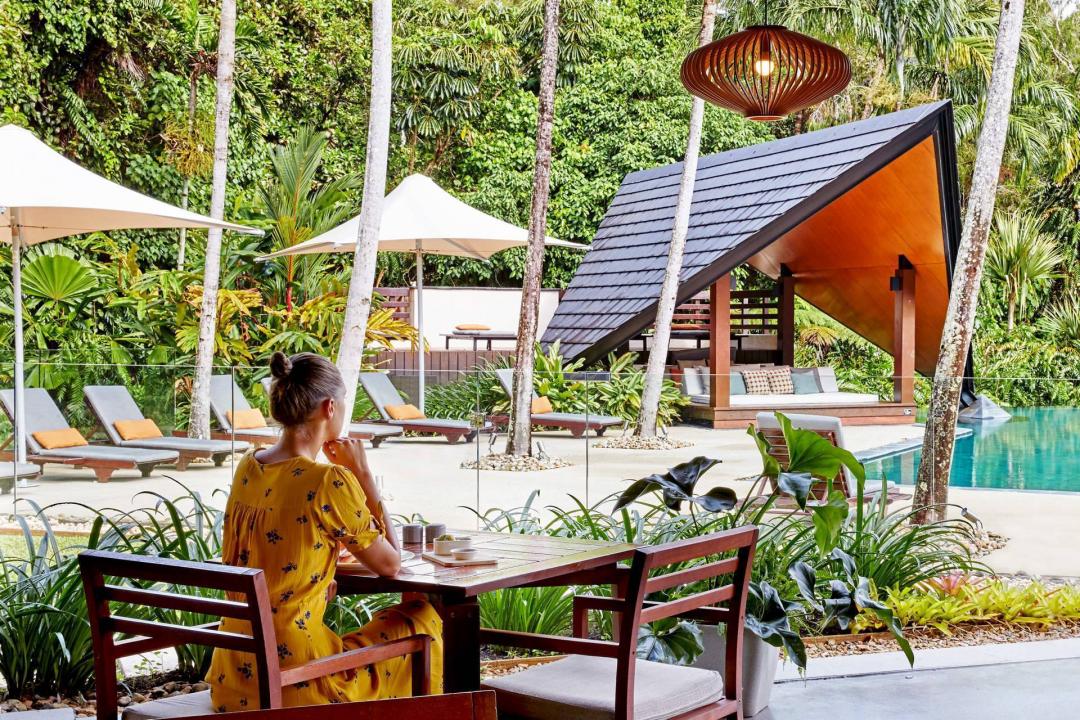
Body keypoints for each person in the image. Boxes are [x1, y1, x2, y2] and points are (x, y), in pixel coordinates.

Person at [208, 352, 442, 711]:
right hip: (296, 684)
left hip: (234, 677)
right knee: (420, 618)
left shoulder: (248, 466)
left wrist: (316, 578)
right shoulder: (328, 480)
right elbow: (391, 564)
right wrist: (364, 476)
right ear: (330, 407)